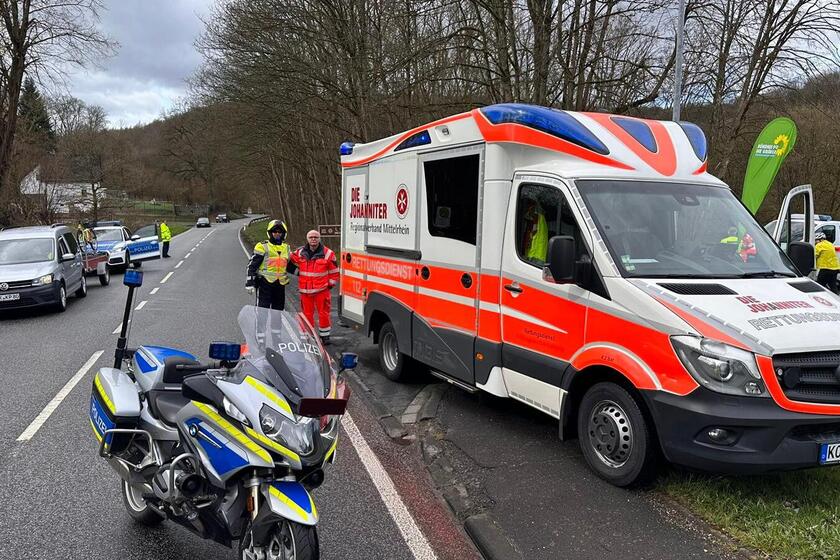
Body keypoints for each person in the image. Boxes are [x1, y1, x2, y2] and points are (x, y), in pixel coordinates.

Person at [289, 230, 339, 343]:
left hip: (322, 290)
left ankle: (325, 337)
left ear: (319, 238)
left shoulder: (328, 253)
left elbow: (334, 272)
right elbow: (288, 259)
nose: (313, 239)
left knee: (324, 314)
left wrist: (329, 285)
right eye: (311, 237)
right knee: (307, 315)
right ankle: (308, 336)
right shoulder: (300, 252)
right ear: (307, 239)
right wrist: (297, 272)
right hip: (305, 291)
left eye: (316, 237)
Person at [246, 219, 291, 310]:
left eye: (280, 232)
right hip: (264, 284)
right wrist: (249, 282)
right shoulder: (262, 246)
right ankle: (260, 325)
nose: (277, 233)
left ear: (283, 233)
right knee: (262, 311)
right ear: (270, 233)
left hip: (280, 284)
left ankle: (275, 325)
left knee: (278, 311)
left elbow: (289, 266)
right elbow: (252, 266)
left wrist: (302, 273)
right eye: (274, 231)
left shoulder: (286, 248)